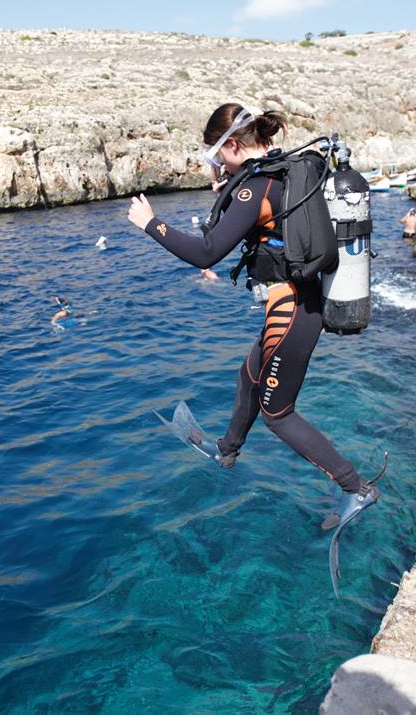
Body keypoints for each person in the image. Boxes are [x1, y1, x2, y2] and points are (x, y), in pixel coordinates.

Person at [127, 102, 378, 527]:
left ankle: (356, 488)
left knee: (278, 414)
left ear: (233, 145)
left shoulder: (254, 188)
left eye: (216, 155)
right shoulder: (282, 172)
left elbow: (206, 252)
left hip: (291, 312)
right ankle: (227, 450)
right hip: (302, 302)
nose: (216, 165)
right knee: (248, 376)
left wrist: (152, 224)